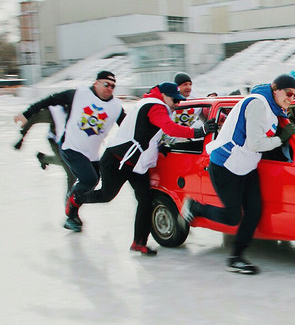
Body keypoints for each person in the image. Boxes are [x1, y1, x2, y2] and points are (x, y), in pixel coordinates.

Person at [67, 82, 217, 253]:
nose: (177, 104)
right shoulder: (156, 106)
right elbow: (170, 128)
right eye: (175, 100)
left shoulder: (153, 104)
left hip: (136, 163)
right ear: (164, 96)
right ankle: (76, 199)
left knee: (145, 200)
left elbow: (157, 133)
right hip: (117, 160)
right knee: (106, 195)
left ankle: (139, 242)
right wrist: (198, 132)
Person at [181, 74, 295, 274]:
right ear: (275, 88)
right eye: (289, 93)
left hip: (247, 166)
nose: (291, 98)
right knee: (232, 216)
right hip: (226, 165)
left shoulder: (274, 107)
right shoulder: (257, 104)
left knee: (254, 211)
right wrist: (281, 139)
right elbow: (255, 143)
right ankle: (195, 207)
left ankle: (236, 257)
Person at [14, 71, 126, 231]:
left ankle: (72, 210)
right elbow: (49, 100)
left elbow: (127, 126)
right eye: (106, 84)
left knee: (93, 182)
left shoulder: (115, 107)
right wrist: (27, 114)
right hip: (71, 147)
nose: (110, 88)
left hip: (91, 152)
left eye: (113, 86)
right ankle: (71, 205)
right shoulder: (79, 94)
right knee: (87, 179)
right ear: (96, 83)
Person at [13, 105, 76, 196]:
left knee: (70, 162)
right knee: (71, 172)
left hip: (71, 142)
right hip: (56, 142)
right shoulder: (56, 112)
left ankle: (44, 158)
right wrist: (22, 138)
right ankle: (69, 204)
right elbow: (34, 118)